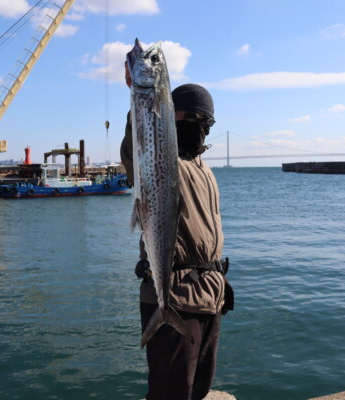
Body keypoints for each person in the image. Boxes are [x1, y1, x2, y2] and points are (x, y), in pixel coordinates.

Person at [121, 65, 233, 400]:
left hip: (209, 297)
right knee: (172, 393)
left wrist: (220, 282)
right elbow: (137, 145)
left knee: (199, 388)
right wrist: (141, 98)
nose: (203, 129)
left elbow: (204, 236)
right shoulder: (160, 164)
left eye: (207, 124)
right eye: (197, 120)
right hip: (173, 294)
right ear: (172, 117)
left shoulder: (205, 170)